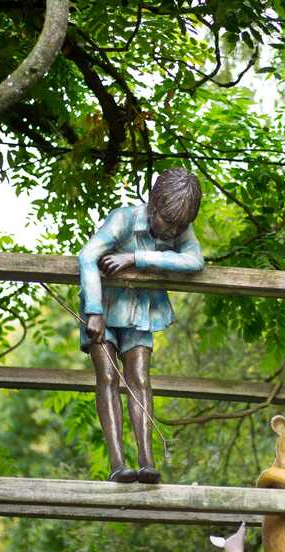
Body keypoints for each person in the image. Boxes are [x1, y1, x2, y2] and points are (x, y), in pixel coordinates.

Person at [78, 168, 204, 483]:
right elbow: (87, 256)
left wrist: (137, 257)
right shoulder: (123, 219)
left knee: (140, 378)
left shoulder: (178, 228)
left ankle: (146, 460)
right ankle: (118, 463)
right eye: (168, 222)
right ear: (152, 206)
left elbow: (194, 261)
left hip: (140, 310)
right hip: (102, 308)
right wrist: (93, 311)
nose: (173, 231)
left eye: (181, 226)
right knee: (107, 376)